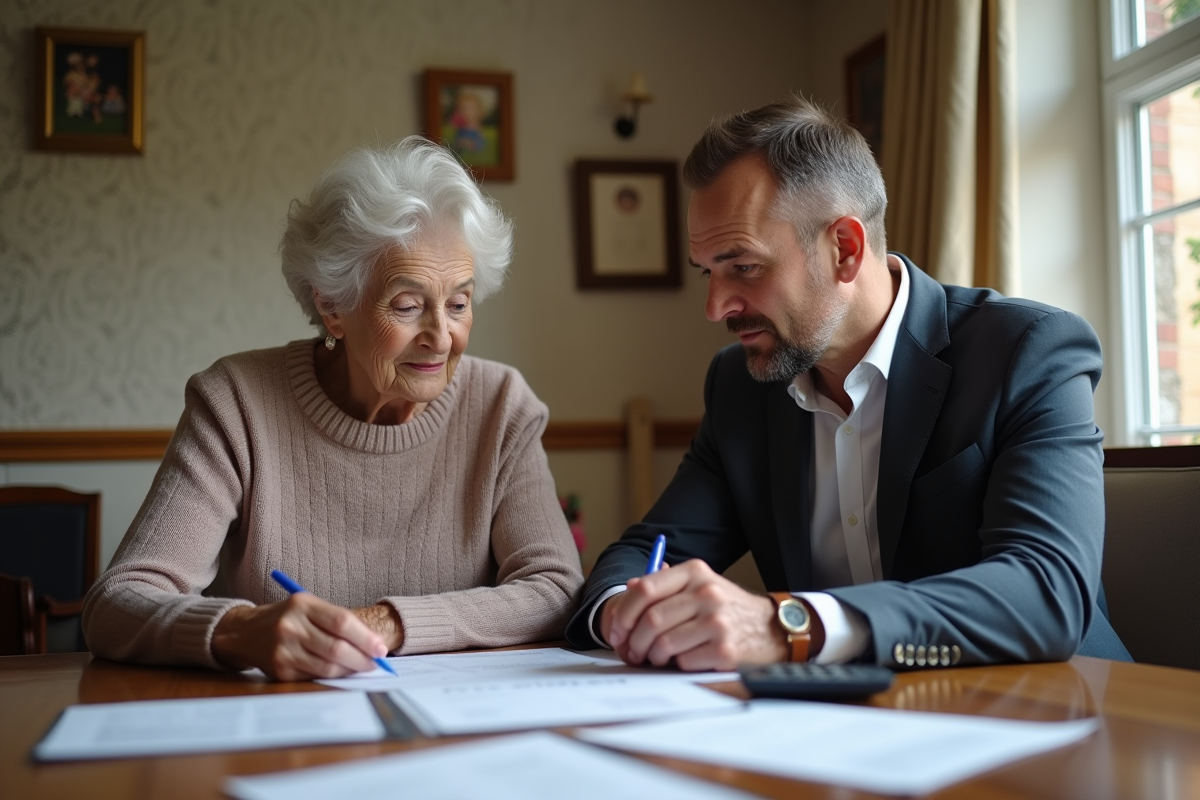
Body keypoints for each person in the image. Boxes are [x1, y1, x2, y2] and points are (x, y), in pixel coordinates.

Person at [565, 97, 1130, 671]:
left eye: (744, 267)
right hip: (849, 727)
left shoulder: (1028, 352)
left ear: (845, 249)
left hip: (1061, 714)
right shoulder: (739, 386)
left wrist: (790, 626)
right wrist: (624, 612)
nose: (715, 307)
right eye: (708, 271)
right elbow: (645, 552)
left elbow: (1047, 592)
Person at [84, 137, 584, 680]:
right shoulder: (237, 403)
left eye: (459, 303)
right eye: (408, 305)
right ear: (332, 305)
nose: (441, 337)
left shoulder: (500, 407)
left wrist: (387, 623)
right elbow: (117, 604)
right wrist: (240, 631)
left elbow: (555, 589)